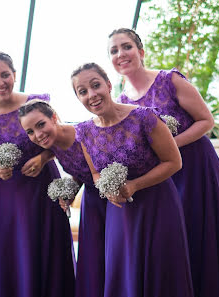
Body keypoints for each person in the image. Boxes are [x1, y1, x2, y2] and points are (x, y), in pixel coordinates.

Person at [108, 28, 219, 297]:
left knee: (197, 231)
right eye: (114, 50)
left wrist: (170, 146)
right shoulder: (122, 101)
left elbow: (206, 121)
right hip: (163, 175)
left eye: (126, 47)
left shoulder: (169, 80)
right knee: (173, 238)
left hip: (195, 168)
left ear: (141, 52)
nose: (121, 54)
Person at [73, 62, 193, 297]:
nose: (92, 95)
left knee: (161, 270)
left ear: (108, 85)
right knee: (124, 271)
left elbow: (173, 162)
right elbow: (95, 173)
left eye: (96, 85)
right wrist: (106, 188)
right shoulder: (84, 132)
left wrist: (135, 185)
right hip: (120, 212)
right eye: (83, 91)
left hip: (158, 206)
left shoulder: (144, 117)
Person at [0, 51, 75, 297]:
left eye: (5, 74)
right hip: (9, 196)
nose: (0, 82)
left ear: (14, 74)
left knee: (50, 249)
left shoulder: (38, 102)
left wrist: (43, 156)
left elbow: (62, 138)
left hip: (45, 189)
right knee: (15, 253)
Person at [18, 99, 107, 297]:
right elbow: (80, 173)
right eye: (30, 131)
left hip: (113, 198)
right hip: (92, 202)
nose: (38, 135)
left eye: (41, 125)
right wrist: (69, 192)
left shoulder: (84, 133)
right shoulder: (54, 146)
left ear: (54, 117)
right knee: (94, 259)